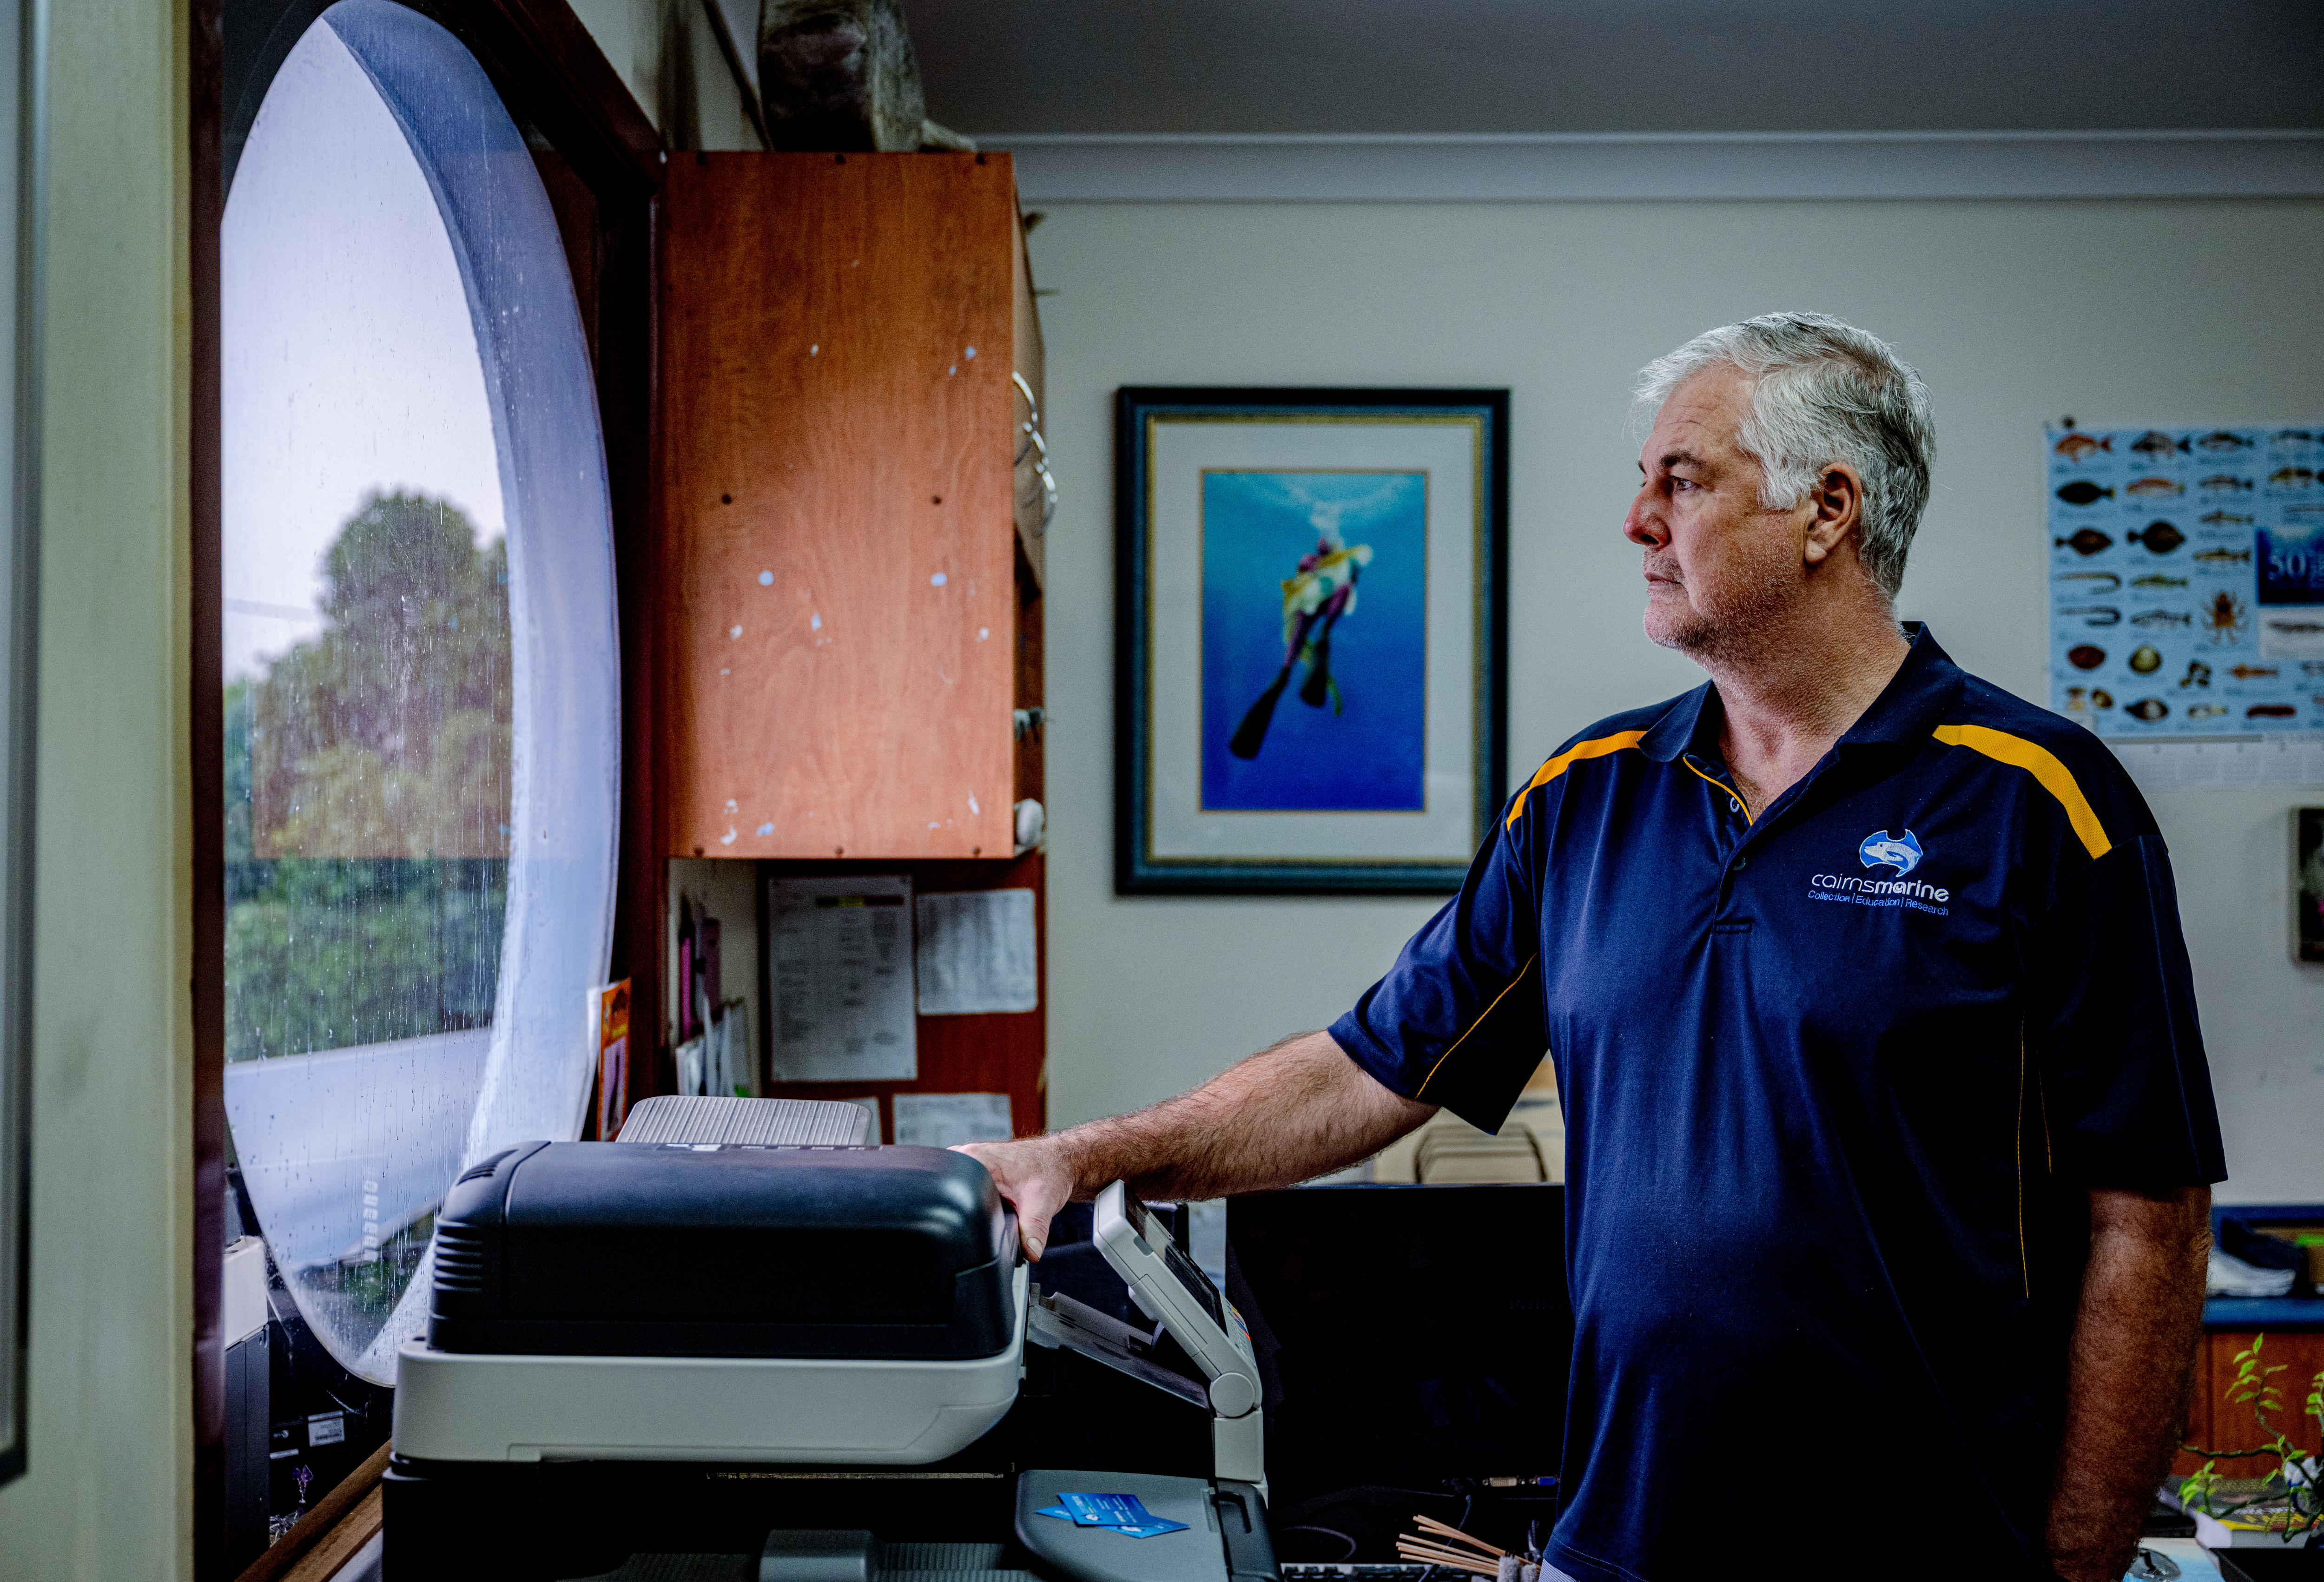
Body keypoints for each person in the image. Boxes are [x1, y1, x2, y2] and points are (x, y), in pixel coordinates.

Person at [961, 313, 2222, 1582]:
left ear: (1828, 511)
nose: (1637, 520)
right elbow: (1365, 1070)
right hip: (1614, 1549)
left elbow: (2151, 1219)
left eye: (1681, 480)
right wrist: (1082, 1155)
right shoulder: (1585, 798)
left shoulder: (2040, 803)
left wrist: (2075, 1565)